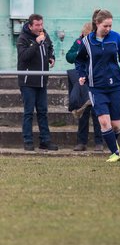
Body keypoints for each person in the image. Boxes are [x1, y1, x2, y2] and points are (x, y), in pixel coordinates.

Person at [75, 9, 120, 162]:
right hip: (96, 87)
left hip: (114, 85)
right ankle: (115, 152)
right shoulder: (87, 41)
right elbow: (79, 60)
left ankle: (112, 145)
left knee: (115, 126)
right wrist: (82, 74)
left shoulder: (116, 38)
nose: (108, 29)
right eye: (105, 26)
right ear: (97, 24)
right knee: (103, 121)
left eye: (110, 26)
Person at [17, 14, 58, 151]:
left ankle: (45, 141)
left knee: (43, 112)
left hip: (42, 81)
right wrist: (36, 43)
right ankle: (28, 141)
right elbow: (24, 57)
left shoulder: (44, 35)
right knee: (28, 112)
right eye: (37, 25)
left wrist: (51, 57)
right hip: (28, 82)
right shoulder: (23, 38)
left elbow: (50, 47)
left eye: (41, 24)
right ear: (30, 26)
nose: (40, 27)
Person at [66, 22, 104, 152]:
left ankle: (99, 143)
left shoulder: (99, 42)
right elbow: (69, 57)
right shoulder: (78, 42)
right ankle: (81, 142)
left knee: (97, 113)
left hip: (96, 81)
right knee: (83, 112)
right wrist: (79, 52)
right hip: (83, 81)